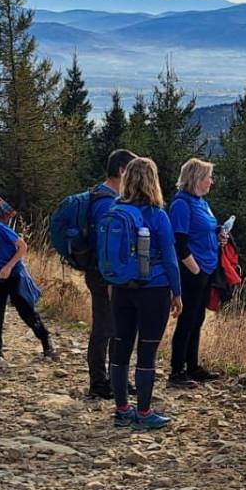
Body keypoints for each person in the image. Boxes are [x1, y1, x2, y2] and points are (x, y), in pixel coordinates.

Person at [104, 157, 181, 431]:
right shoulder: (158, 215)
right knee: (147, 350)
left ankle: (122, 409)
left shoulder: (116, 208)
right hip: (154, 288)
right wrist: (177, 292)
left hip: (122, 287)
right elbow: (171, 259)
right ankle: (145, 412)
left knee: (121, 345)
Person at [0, 197, 54, 367]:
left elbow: (22, 246)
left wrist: (9, 266)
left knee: (25, 311)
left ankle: (46, 341)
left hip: (14, 274)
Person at [82, 149, 135, 402]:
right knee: (105, 327)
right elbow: (107, 247)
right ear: (122, 171)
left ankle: (116, 378)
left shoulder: (103, 197)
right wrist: (114, 278)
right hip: (104, 274)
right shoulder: (107, 202)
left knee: (116, 326)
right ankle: (99, 382)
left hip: (103, 272)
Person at [168, 157, 221, 386]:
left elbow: (204, 230)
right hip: (193, 270)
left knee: (197, 318)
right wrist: (196, 269)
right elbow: (179, 242)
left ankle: (193, 366)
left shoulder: (201, 202)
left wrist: (220, 234)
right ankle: (177, 371)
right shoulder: (181, 204)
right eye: (209, 176)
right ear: (197, 179)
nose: (212, 181)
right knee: (187, 318)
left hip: (206, 267)